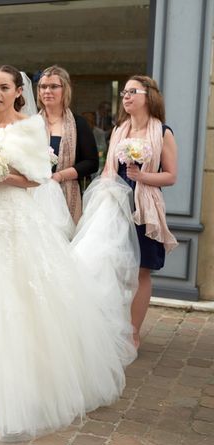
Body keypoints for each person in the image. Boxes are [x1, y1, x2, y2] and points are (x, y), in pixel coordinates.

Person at [0, 65, 139, 441]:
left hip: (18, 215)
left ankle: (23, 388)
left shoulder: (30, 126)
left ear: (19, 91)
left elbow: (35, 178)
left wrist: (1, 174)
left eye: (3, 87)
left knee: (21, 294)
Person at [102, 75, 178, 349]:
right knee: (112, 270)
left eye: (132, 91)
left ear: (149, 96)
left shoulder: (162, 132)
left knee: (141, 272)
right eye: (124, 91)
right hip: (116, 205)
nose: (126, 96)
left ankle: (133, 333)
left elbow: (170, 176)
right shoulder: (118, 131)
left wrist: (141, 177)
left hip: (145, 208)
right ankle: (111, 328)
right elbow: (108, 170)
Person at [37, 65, 99, 223]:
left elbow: (92, 163)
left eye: (53, 86)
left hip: (66, 195)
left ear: (65, 90)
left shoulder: (78, 124)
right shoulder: (31, 123)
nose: (47, 91)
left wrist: (59, 176)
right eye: (43, 86)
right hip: (34, 195)